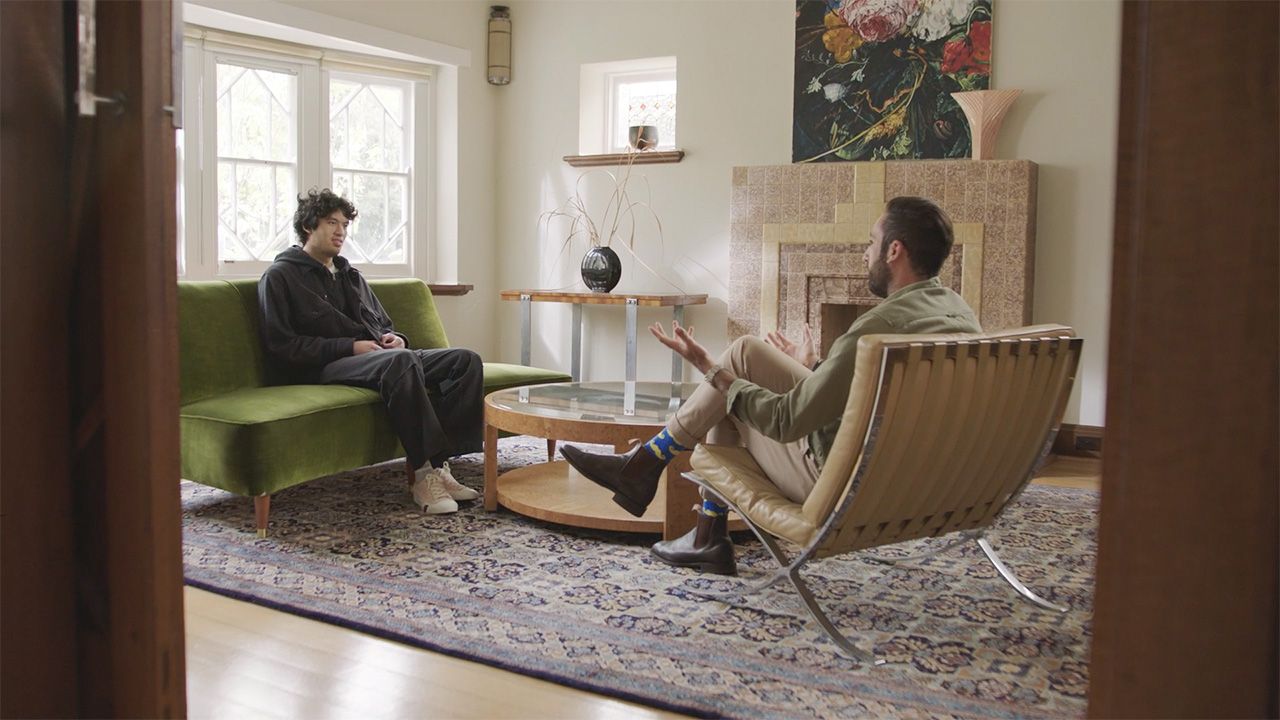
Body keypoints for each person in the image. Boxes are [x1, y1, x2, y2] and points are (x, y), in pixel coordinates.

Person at [561, 196, 981, 574]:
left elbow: (786, 422)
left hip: (842, 482)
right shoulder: (957, 314)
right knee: (746, 353)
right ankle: (694, 522)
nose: (864, 252)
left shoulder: (876, 329)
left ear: (894, 250)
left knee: (730, 382)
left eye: (871, 242)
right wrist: (816, 366)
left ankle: (652, 471)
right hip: (910, 478)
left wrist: (710, 368)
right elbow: (874, 396)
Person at [258, 188, 484, 515]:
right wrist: (350, 346)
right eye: (332, 223)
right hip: (321, 368)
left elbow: (383, 324)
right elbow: (282, 346)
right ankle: (422, 474)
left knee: (464, 361)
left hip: (377, 359)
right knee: (400, 363)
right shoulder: (280, 277)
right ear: (308, 226)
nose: (341, 232)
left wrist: (395, 339)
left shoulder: (350, 275)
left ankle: (439, 465)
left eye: (345, 225)